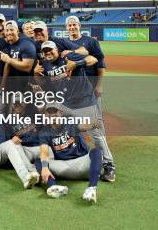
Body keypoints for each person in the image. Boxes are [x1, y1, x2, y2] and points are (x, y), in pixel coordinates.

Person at [33, 40, 115, 182]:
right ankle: (57, 153)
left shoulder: (69, 57)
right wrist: (36, 74)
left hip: (85, 101)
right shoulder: (44, 65)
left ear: (57, 50)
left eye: (50, 50)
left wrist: (77, 63)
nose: (48, 53)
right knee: (54, 119)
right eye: (45, 51)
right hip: (66, 104)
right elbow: (42, 83)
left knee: (96, 133)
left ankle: (109, 165)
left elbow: (93, 59)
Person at [62, 15, 113, 181]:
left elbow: (99, 62)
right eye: (69, 25)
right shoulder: (62, 43)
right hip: (71, 92)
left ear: (79, 26)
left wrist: (99, 85)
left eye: (74, 25)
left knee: (97, 127)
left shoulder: (90, 42)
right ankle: (78, 153)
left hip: (90, 89)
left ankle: (108, 164)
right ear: (66, 28)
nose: (72, 27)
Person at [34, 103, 103, 204]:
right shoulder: (44, 132)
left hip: (82, 164)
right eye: (49, 112)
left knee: (96, 152)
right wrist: (44, 167)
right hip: (64, 166)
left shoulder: (70, 122)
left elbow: (84, 126)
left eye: (55, 112)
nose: (52, 115)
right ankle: (53, 186)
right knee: (39, 161)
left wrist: (94, 124)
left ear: (61, 113)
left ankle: (91, 189)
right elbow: (44, 152)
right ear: (46, 115)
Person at [0, 21, 36, 92]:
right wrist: (2, 85)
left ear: (18, 31)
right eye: (7, 30)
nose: (9, 32)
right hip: (13, 87)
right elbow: (8, 65)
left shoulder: (26, 43)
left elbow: (27, 67)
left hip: (27, 86)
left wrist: (8, 60)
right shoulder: (8, 45)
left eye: (11, 29)